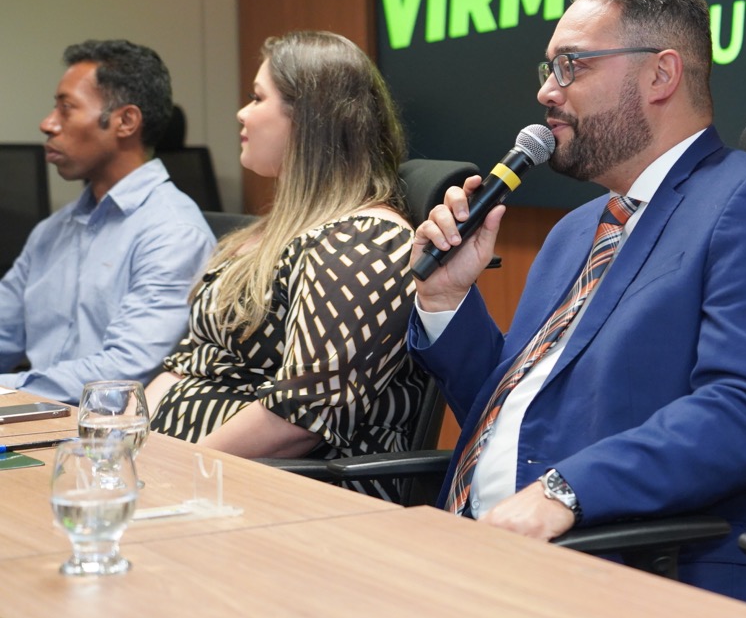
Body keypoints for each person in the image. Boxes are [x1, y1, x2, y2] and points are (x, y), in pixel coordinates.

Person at [409, 0, 746, 614]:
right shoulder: (576, 230)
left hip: (635, 582)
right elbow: (517, 416)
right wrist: (446, 300)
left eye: (572, 66)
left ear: (661, 75)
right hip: (486, 558)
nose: (547, 91)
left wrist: (563, 491)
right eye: (549, 68)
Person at [147, 31, 429, 502]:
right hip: (192, 481)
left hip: (289, 498)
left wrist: (167, 470)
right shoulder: (270, 234)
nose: (242, 113)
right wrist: (120, 441)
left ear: (309, 119)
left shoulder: (363, 240)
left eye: (258, 98)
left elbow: (298, 419)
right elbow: (185, 367)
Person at [0, 40, 215, 403]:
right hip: (35, 421)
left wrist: (9, 390)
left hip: (110, 433)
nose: (47, 123)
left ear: (125, 121)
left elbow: (122, 374)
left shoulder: (174, 234)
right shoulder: (53, 229)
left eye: (66, 108)